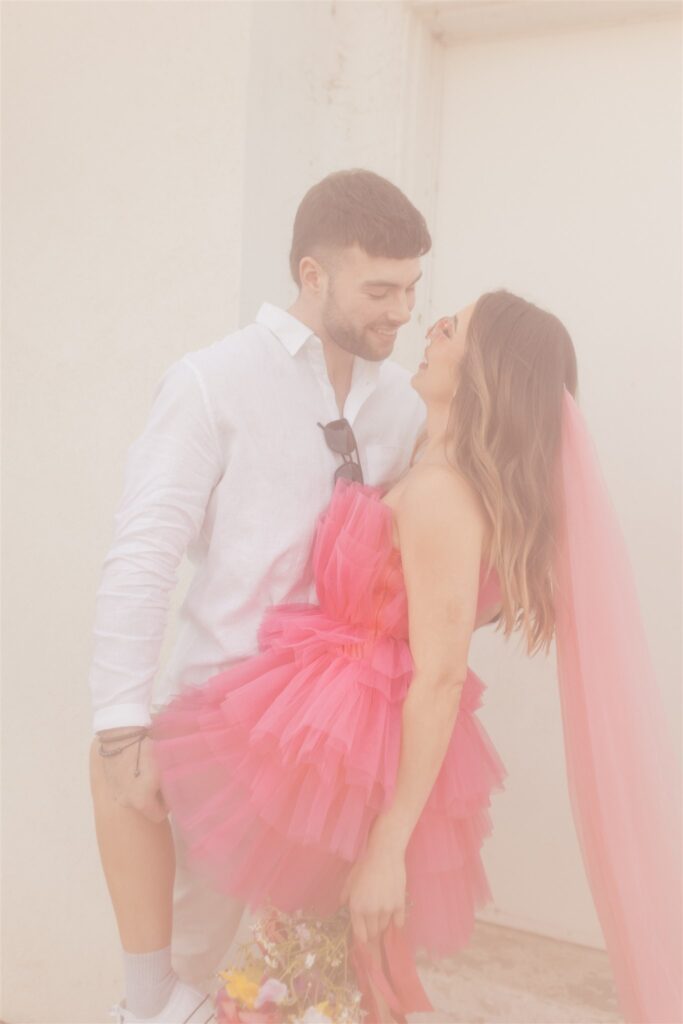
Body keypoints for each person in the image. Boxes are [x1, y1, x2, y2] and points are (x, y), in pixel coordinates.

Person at [150, 290, 682, 1024]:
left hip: (351, 757)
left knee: (296, 972)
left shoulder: (441, 495)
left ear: (485, 371)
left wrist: (385, 849)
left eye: (454, 326)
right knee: (297, 967)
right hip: (334, 739)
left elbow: (437, 676)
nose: (432, 327)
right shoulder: (427, 469)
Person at [88, 169, 431, 1023]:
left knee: (298, 989)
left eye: (413, 289)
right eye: (379, 288)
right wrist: (123, 722)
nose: (401, 311)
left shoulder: (402, 406)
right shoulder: (212, 382)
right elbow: (144, 553)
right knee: (196, 974)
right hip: (222, 728)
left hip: (343, 749)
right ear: (312, 277)